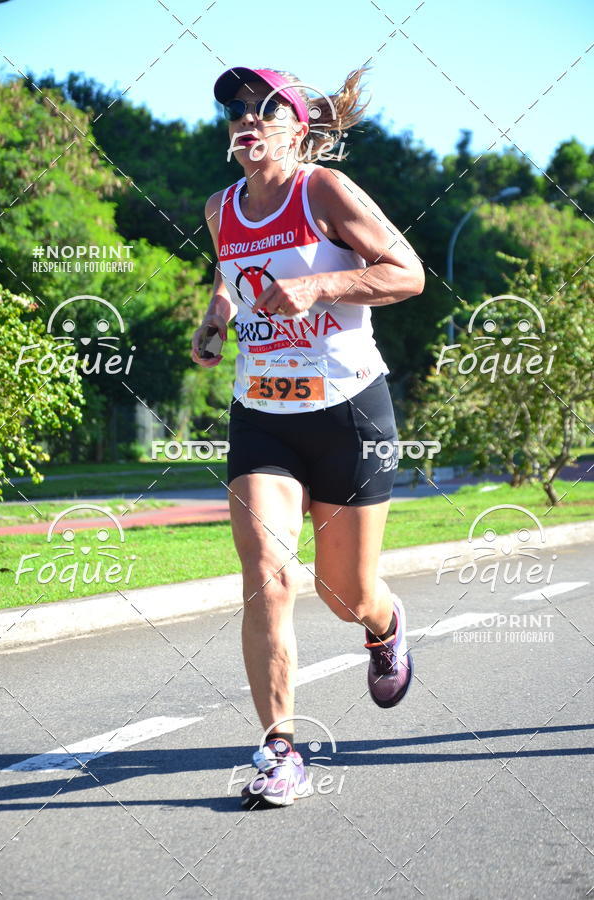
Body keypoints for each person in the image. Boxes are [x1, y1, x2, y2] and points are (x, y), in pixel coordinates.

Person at [192, 65, 425, 808]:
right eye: (234, 109)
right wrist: (218, 314)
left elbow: (408, 272)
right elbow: (233, 270)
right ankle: (279, 750)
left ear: (300, 127)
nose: (245, 119)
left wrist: (320, 287)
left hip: (348, 409)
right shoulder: (219, 207)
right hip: (261, 414)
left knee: (342, 591)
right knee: (267, 571)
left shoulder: (323, 191)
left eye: (264, 108)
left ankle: (384, 626)